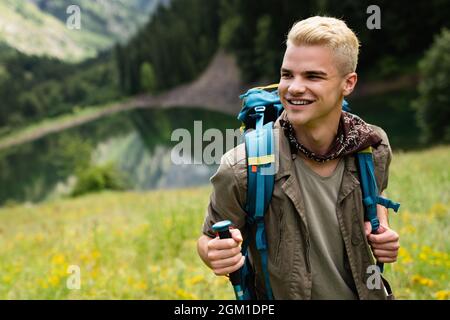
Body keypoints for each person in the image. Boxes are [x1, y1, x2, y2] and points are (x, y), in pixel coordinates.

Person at [197, 16, 400, 299]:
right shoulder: (242, 168)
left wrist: (383, 231)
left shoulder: (372, 147)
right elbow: (207, 239)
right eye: (287, 74)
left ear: (348, 83)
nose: (293, 88)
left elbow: (375, 196)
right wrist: (214, 253)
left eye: (313, 76)